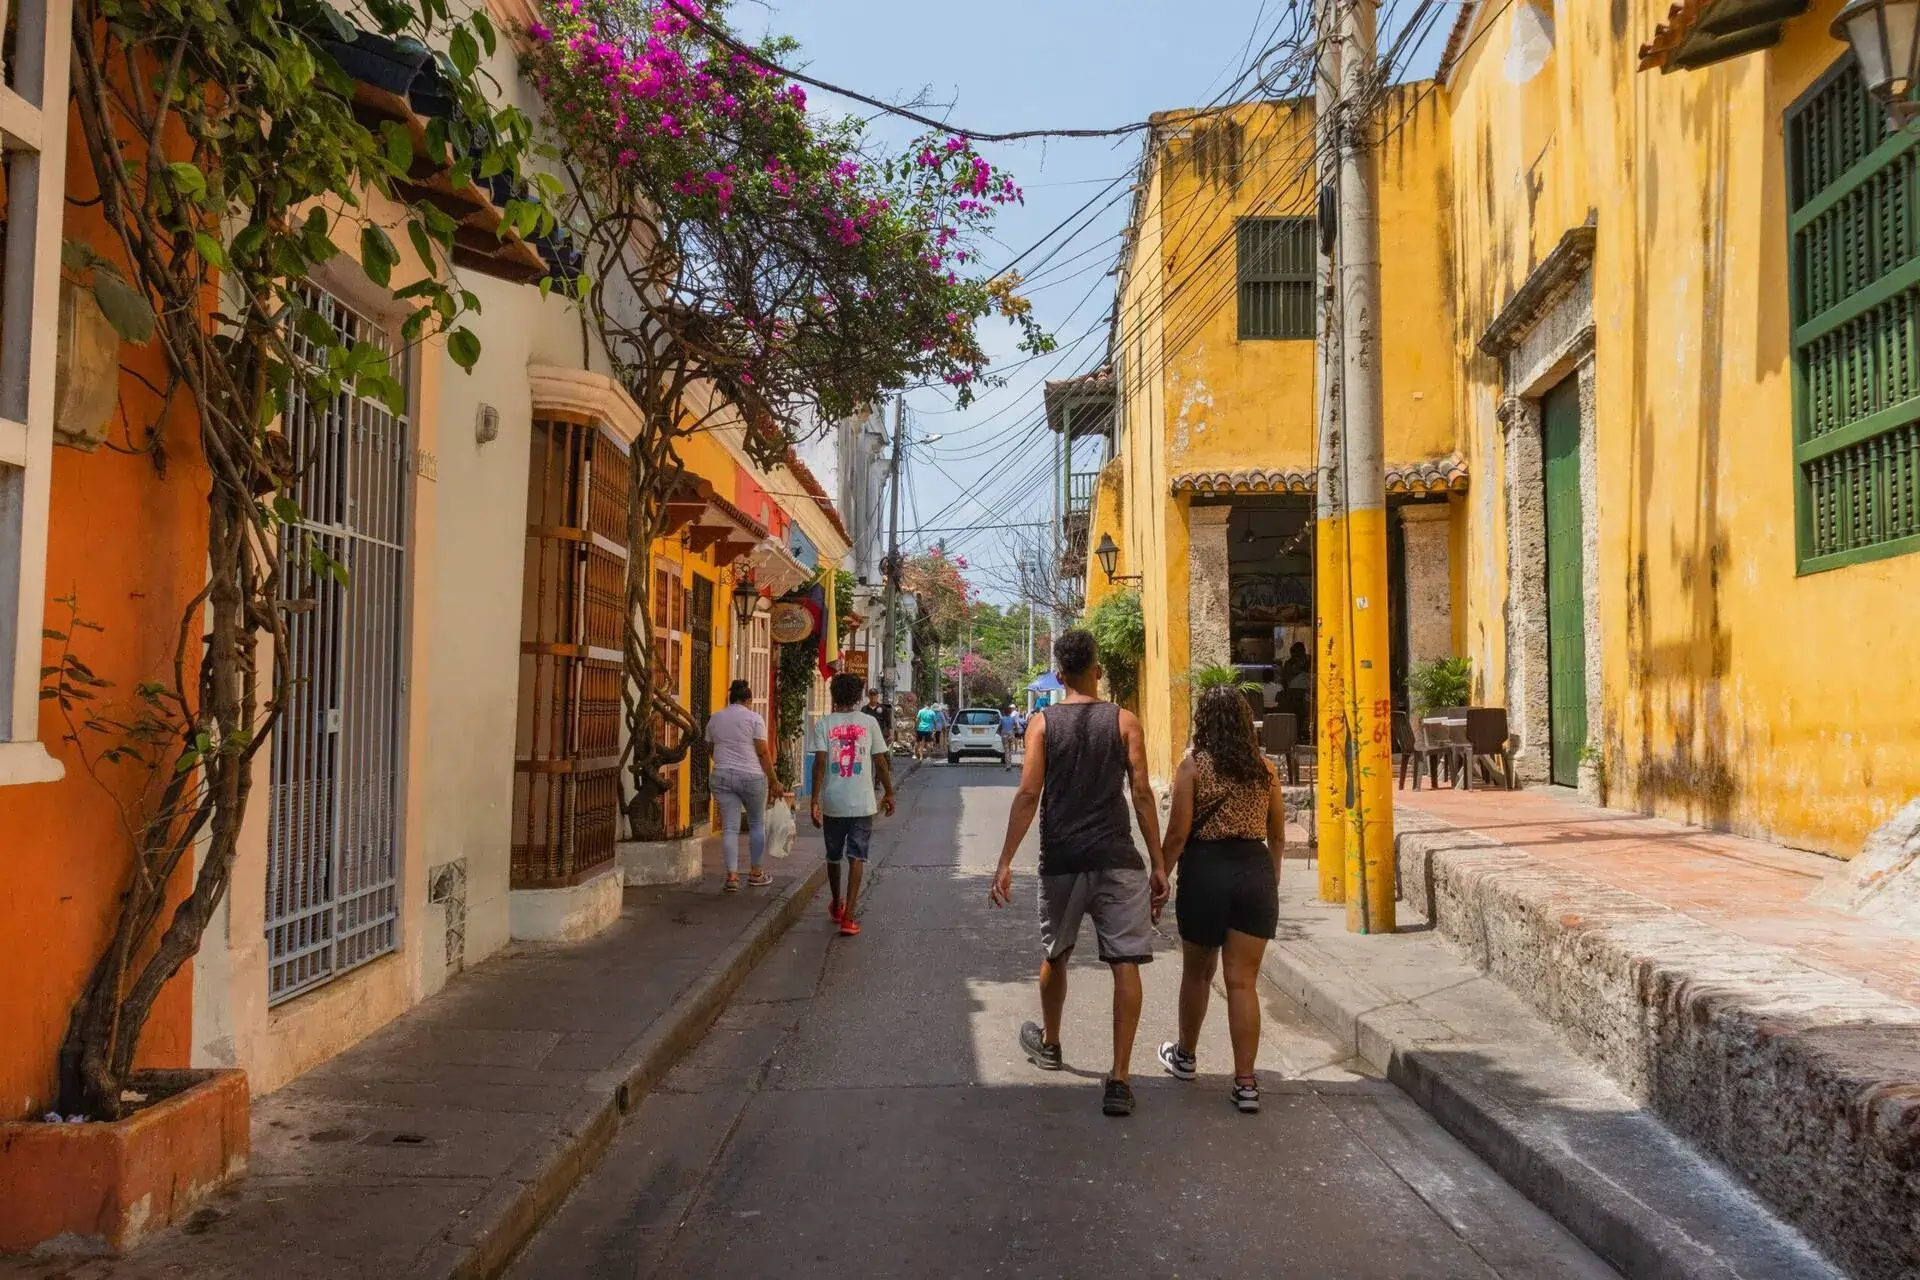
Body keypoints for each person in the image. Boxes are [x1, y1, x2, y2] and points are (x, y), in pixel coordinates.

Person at [990, 629, 1168, 1117]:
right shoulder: (1125, 720)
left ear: (1060, 675)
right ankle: (1120, 1078)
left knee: (1057, 952)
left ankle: (1050, 1044)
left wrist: (1005, 860)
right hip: (1117, 858)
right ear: (1098, 669)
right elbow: (1143, 793)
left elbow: (1028, 794)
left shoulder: (1042, 724)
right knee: (1125, 961)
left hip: (1063, 858)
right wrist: (1158, 861)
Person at [1155, 686, 1287, 1114]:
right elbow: (1278, 836)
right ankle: (1246, 1083)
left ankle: (1186, 1057)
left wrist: (1159, 879)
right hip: (1255, 870)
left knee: (1197, 973)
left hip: (1206, 871)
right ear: (1246, 723)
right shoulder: (1265, 770)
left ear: (1204, 721)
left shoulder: (1193, 768)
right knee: (1243, 981)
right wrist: (1271, 881)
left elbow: (1177, 835)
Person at [809, 672, 895, 937]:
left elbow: (820, 764)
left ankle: (836, 904)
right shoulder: (869, 724)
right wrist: (889, 793)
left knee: (833, 856)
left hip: (834, 802)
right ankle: (849, 917)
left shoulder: (824, 724)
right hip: (862, 803)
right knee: (856, 856)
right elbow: (880, 762)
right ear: (859, 696)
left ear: (834, 695)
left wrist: (814, 800)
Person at [706, 678, 780, 893]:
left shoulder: (715, 718)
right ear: (748, 699)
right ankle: (756, 873)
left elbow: (710, 748)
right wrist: (774, 780)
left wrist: (724, 764)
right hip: (751, 776)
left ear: (731, 698)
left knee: (730, 827)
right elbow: (763, 752)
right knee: (757, 823)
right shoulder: (754, 719)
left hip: (721, 775)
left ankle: (732, 876)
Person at [998, 705, 1020, 770]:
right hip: (1011, 735)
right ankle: (1009, 763)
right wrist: (1014, 732)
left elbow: (999, 727)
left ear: (1004, 712)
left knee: (1006, 751)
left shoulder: (1002, 719)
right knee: (1010, 750)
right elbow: (1017, 727)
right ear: (1010, 712)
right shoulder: (1013, 719)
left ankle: (1008, 765)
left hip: (1004, 735)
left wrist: (1000, 733)